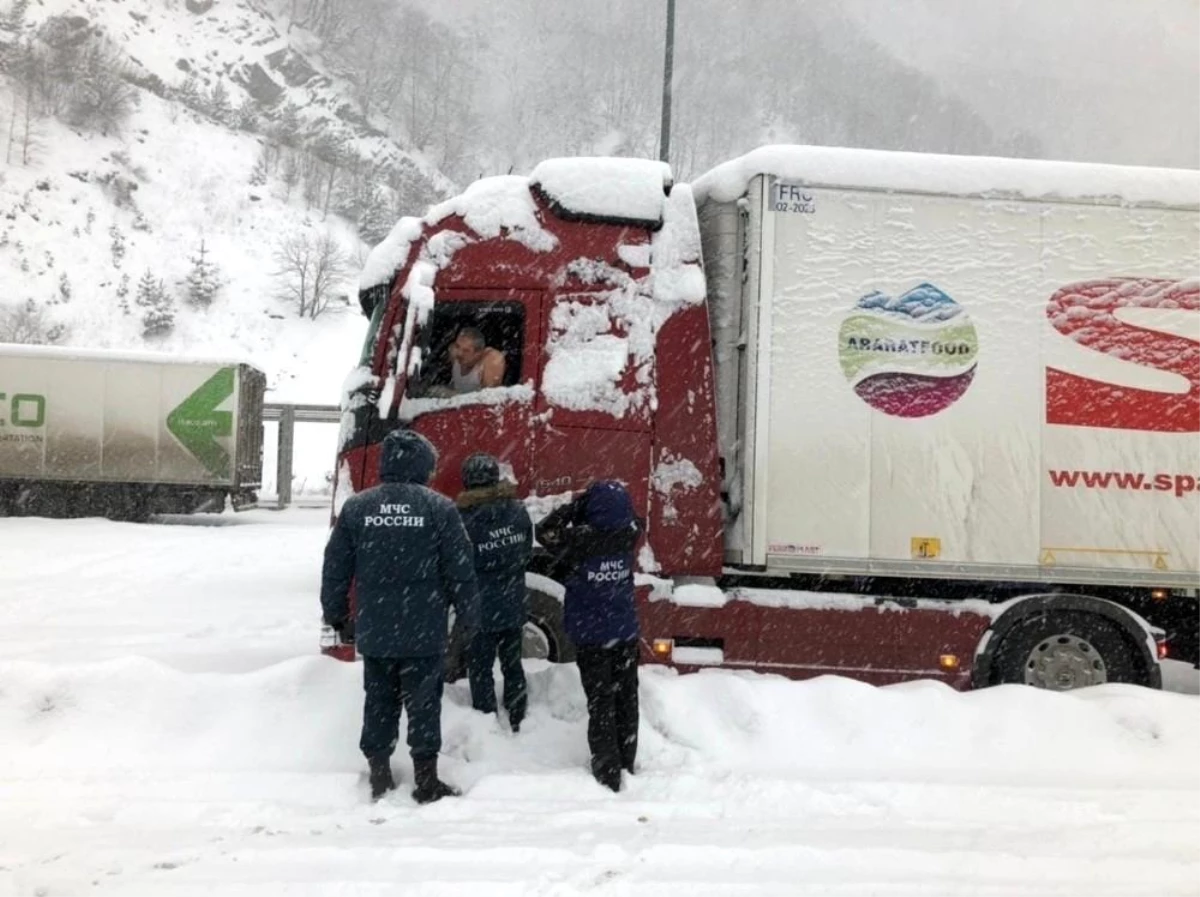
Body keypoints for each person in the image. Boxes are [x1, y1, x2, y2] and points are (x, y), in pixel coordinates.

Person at [321, 428, 480, 804]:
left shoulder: (358, 507)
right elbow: (460, 569)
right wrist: (469, 617)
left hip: (376, 628)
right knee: (424, 704)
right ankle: (426, 780)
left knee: (378, 700)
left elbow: (336, 567)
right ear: (424, 465)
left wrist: (336, 614)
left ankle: (380, 774)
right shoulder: (439, 507)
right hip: (424, 628)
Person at [535, 480, 642, 792]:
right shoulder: (631, 533)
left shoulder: (578, 540)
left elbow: (544, 530)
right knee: (627, 697)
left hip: (592, 634)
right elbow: (632, 518)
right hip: (624, 631)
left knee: (601, 701)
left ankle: (607, 771)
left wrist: (574, 507)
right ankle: (626, 761)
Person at [456, 453, 534, 731]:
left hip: (480, 608)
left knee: (480, 668)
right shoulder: (517, 510)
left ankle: (486, 717)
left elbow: (460, 564)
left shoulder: (463, 519)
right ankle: (517, 715)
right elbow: (526, 551)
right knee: (513, 665)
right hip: (513, 602)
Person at [449, 326, 506, 393]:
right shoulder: (453, 351)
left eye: (466, 351)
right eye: (457, 346)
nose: (459, 353)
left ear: (478, 353)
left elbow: (489, 398)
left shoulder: (491, 360)